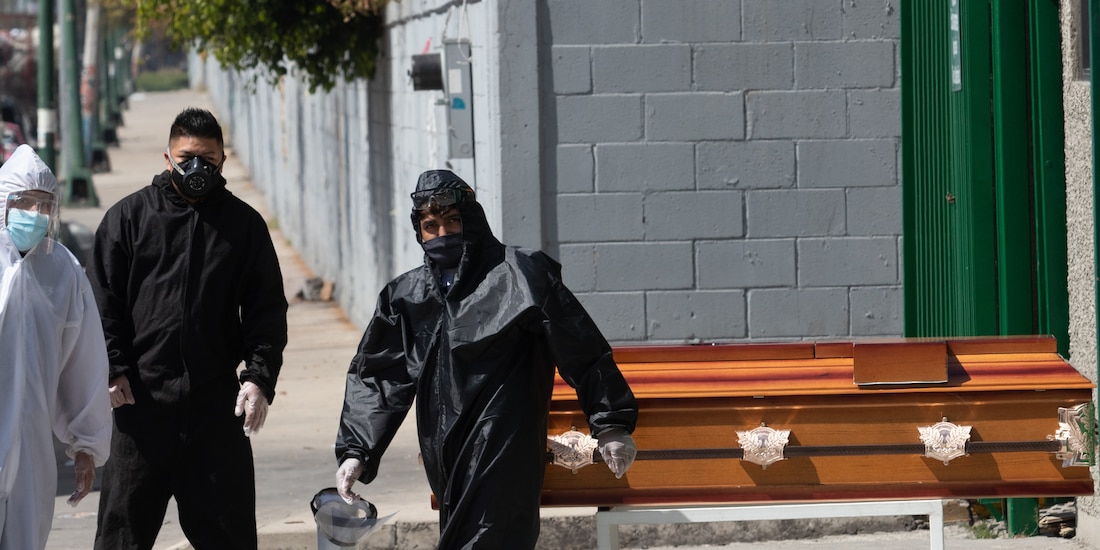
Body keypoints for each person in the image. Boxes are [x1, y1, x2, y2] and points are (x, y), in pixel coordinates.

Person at [335, 169, 638, 548]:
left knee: (489, 536)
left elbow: (582, 348)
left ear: (471, 220)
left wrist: (610, 423)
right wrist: (357, 450)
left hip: (504, 440)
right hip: (443, 450)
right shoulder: (407, 296)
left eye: (452, 221)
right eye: (431, 226)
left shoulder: (521, 277)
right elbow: (380, 376)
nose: (442, 234)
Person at [88, 107, 288, 549]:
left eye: (208, 160)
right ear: (167, 158)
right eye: (187, 157)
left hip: (215, 411)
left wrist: (258, 379)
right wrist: (113, 368)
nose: (197, 168)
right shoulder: (128, 219)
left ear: (222, 161)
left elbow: (266, 311)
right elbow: (102, 301)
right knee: (121, 536)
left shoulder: (244, 226)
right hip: (139, 408)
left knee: (229, 537)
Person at [0, 144, 112, 550]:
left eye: (43, 204)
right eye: (24, 201)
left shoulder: (61, 270)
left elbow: (83, 362)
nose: (34, 213)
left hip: (31, 454)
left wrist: (85, 445)